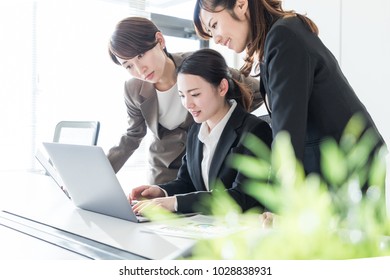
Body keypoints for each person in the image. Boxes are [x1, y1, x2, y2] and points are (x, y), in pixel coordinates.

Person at [193, 0, 385, 179]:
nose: (216, 39)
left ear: (241, 4)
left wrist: (279, 205)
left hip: (351, 165)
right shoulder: (276, 39)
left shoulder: (283, 36)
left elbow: (287, 135)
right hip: (341, 163)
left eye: (214, 25)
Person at [107, 16, 264, 185]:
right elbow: (132, 136)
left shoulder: (197, 66)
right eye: (128, 65)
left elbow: (257, 91)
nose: (139, 69)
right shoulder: (133, 90)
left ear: (160, 40)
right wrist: (98, 173)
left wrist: (227, 121)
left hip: (205, 164)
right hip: (163, 172)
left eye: (140, 55)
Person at [130, 48, 273, 214]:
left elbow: (242, 197)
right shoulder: (195, 130)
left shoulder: (255, 130)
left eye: (195, 94)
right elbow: (187, 182)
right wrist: (160, 192)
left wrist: (174, 203)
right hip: (205, 226)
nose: (188, 104)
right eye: (182, 95)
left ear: (222, 88)